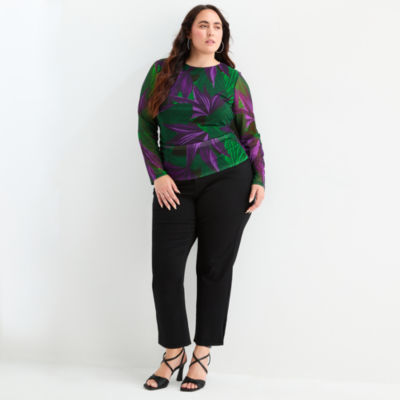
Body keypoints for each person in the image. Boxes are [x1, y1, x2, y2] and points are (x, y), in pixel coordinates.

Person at [138, 5, 266, 392]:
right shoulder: (161, 72)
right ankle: (173, 350)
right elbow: (145, 126)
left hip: (228, 179)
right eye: (203, 25)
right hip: (174, 186)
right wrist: (158, 174)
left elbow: (250, 131)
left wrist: (259, 177)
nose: (211, 32)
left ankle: (202, 353)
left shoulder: (231, 79)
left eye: (218, 27)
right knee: (166, 272)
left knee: (213, 269)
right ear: (189, 32)